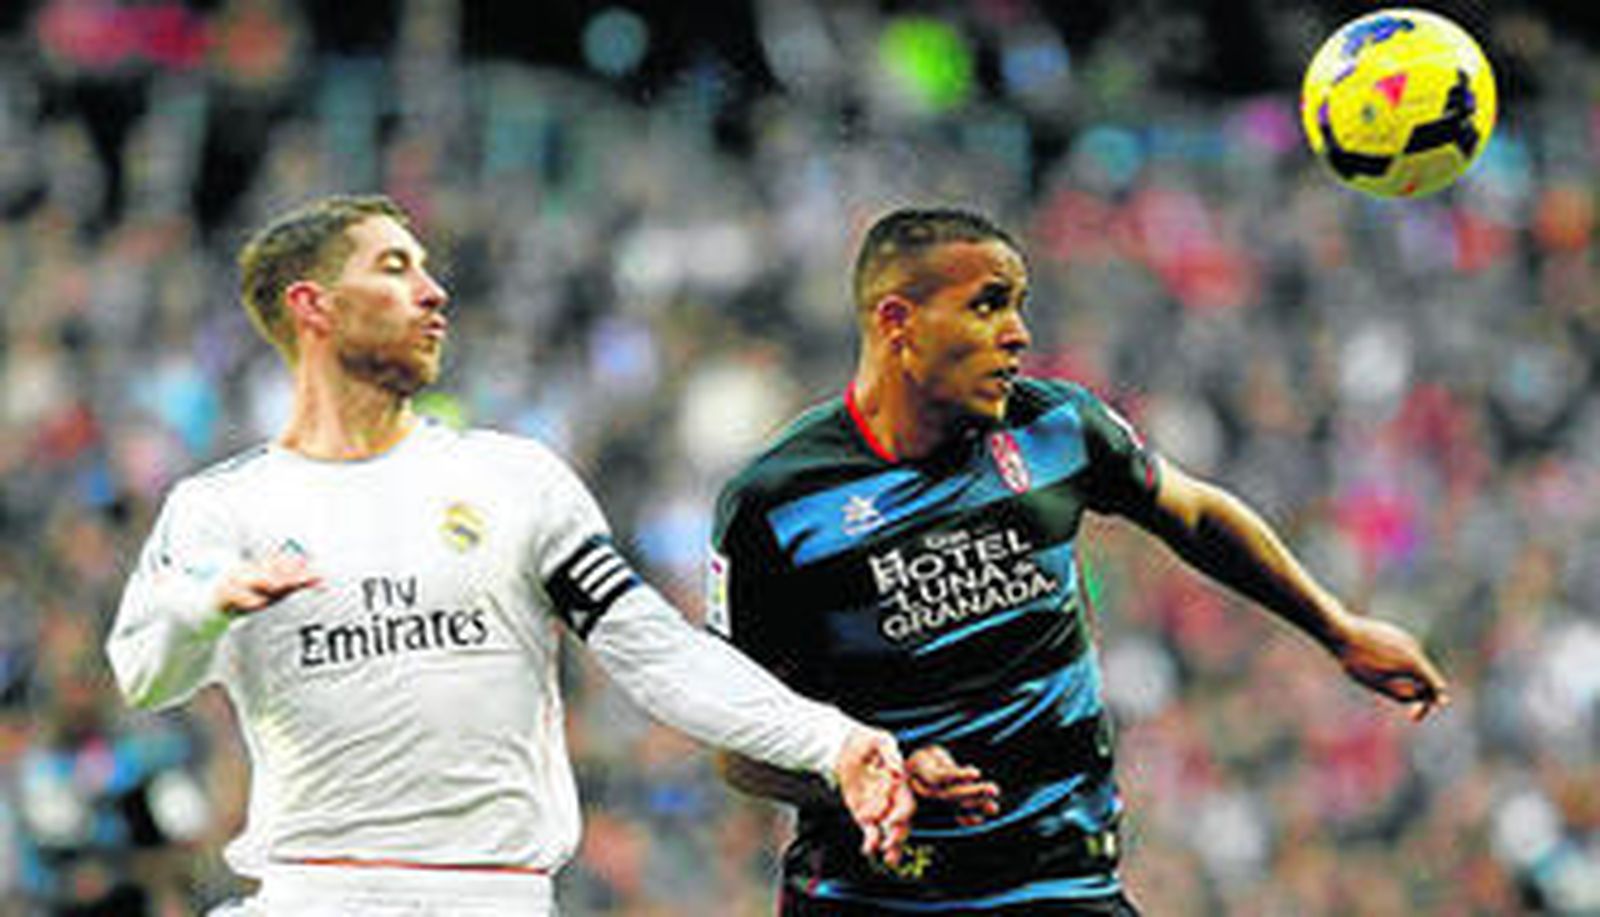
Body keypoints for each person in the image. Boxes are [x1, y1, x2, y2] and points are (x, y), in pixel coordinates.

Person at [105, 194, 918, 916]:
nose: (433, 291)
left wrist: (831, 740)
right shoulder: (222, 507)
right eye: (395, 268)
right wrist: (206, 603)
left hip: (496, 893)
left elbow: (658, 653)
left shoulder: (514, 480)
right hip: (315, 891)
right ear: (313, 306)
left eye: (425, 267)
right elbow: (144, 673)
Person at [708, 207, 1451, 915]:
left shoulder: (1057, 427)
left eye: (1019, 305)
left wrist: (1336, 626)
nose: (1018, 333)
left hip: (1059, 883)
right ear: (897, 321)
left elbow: (1191, 512)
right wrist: (870, 772)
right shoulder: (778, 504)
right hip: (868, 895)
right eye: (987, 304)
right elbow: (739, 752)